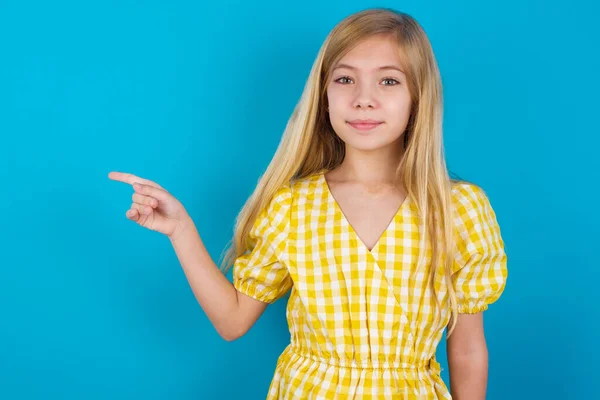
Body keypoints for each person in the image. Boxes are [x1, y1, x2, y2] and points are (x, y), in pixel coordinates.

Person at [109, 7, 508, 399]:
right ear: (324, 95)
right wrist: (180, 230)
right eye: (345, 79)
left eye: (388, 81)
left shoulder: (459, 209)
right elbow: (232, 321)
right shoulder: (291, 207)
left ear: (418, 96)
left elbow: (468, 349)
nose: (363, 99)